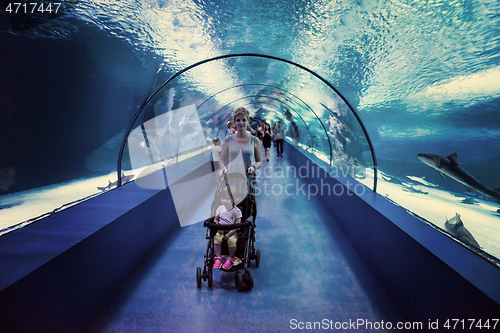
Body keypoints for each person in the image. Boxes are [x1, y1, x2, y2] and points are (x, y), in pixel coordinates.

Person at [219, 107, 262, 194]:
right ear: (234, 122)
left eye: (244, 120)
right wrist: (223, 168)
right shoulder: (228, 140)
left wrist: (254, 167)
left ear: (248, 121)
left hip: (248, 180)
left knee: (247, 205)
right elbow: (222, 160)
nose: (241, 123)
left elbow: (259, 161)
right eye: (238, 120)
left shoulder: (255, 140)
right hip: (231, 179)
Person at [212, 185, 242, 270]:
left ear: (235, 200)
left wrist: (229, 234)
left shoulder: (236, 211)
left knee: (231, 241)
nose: (224, 201)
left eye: (228, 199)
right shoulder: (220, 209)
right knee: (216, 239)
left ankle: (231, 258)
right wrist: (218, 227)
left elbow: (238, 225)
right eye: (223, 198)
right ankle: (218, 258)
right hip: (221, 230)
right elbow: (216, 219)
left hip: (232, 232)